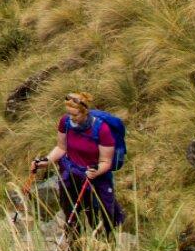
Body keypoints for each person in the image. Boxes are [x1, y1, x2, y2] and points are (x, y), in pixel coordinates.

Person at [32, 91, 125, 233]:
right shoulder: (65, 122)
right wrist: (47, 161)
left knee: (102, 214)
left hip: (95, 176)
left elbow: (106, 161)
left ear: (85, 112)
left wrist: (96, 171)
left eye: (75, 115)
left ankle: (106, 240)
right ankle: (74, 244)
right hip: (71, 173)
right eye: (69, 114)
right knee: (69, 211)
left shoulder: (102, 130)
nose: (71, 118)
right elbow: (61, 147)